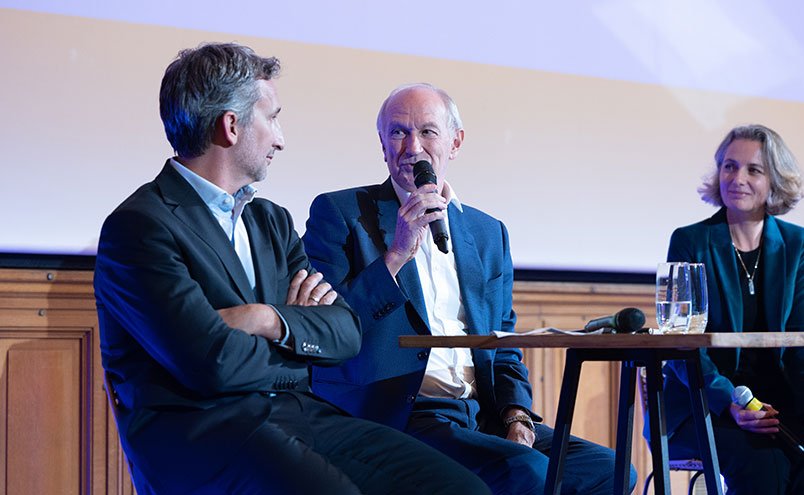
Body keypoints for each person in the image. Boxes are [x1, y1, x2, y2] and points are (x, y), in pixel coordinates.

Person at [94, 43, 489, 495]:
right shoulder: (140, 227)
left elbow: (343, 333)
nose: (281, 138)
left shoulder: (271, 221)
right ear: (231, 125)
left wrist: (266, 318)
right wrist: (300, 345)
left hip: (298, 416)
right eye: (272, 117)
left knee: (460, 489)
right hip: (204, 435)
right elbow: (211, 365)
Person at [302, 82, 637, 495]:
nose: (413, 147)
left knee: (611, 469)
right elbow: (324, 328)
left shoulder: (486, 231)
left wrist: (517, 414)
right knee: (525, 473)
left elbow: (504, 341)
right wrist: (396, 255)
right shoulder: (341, 213)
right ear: (382, 144)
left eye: (427, 132)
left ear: (455, 142)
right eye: (398, 132)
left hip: (481, 412)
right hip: (399, 411)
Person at [652, 124, 804, 494]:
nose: (737, 178)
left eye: (753, 170)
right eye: (729, 166)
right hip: (703, 402)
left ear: (774, 182)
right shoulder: (689, 241)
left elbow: (802, 337)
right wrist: (730, 401)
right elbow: (681, 343)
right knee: (764, 463)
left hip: (776, 405)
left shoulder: (796, 242)